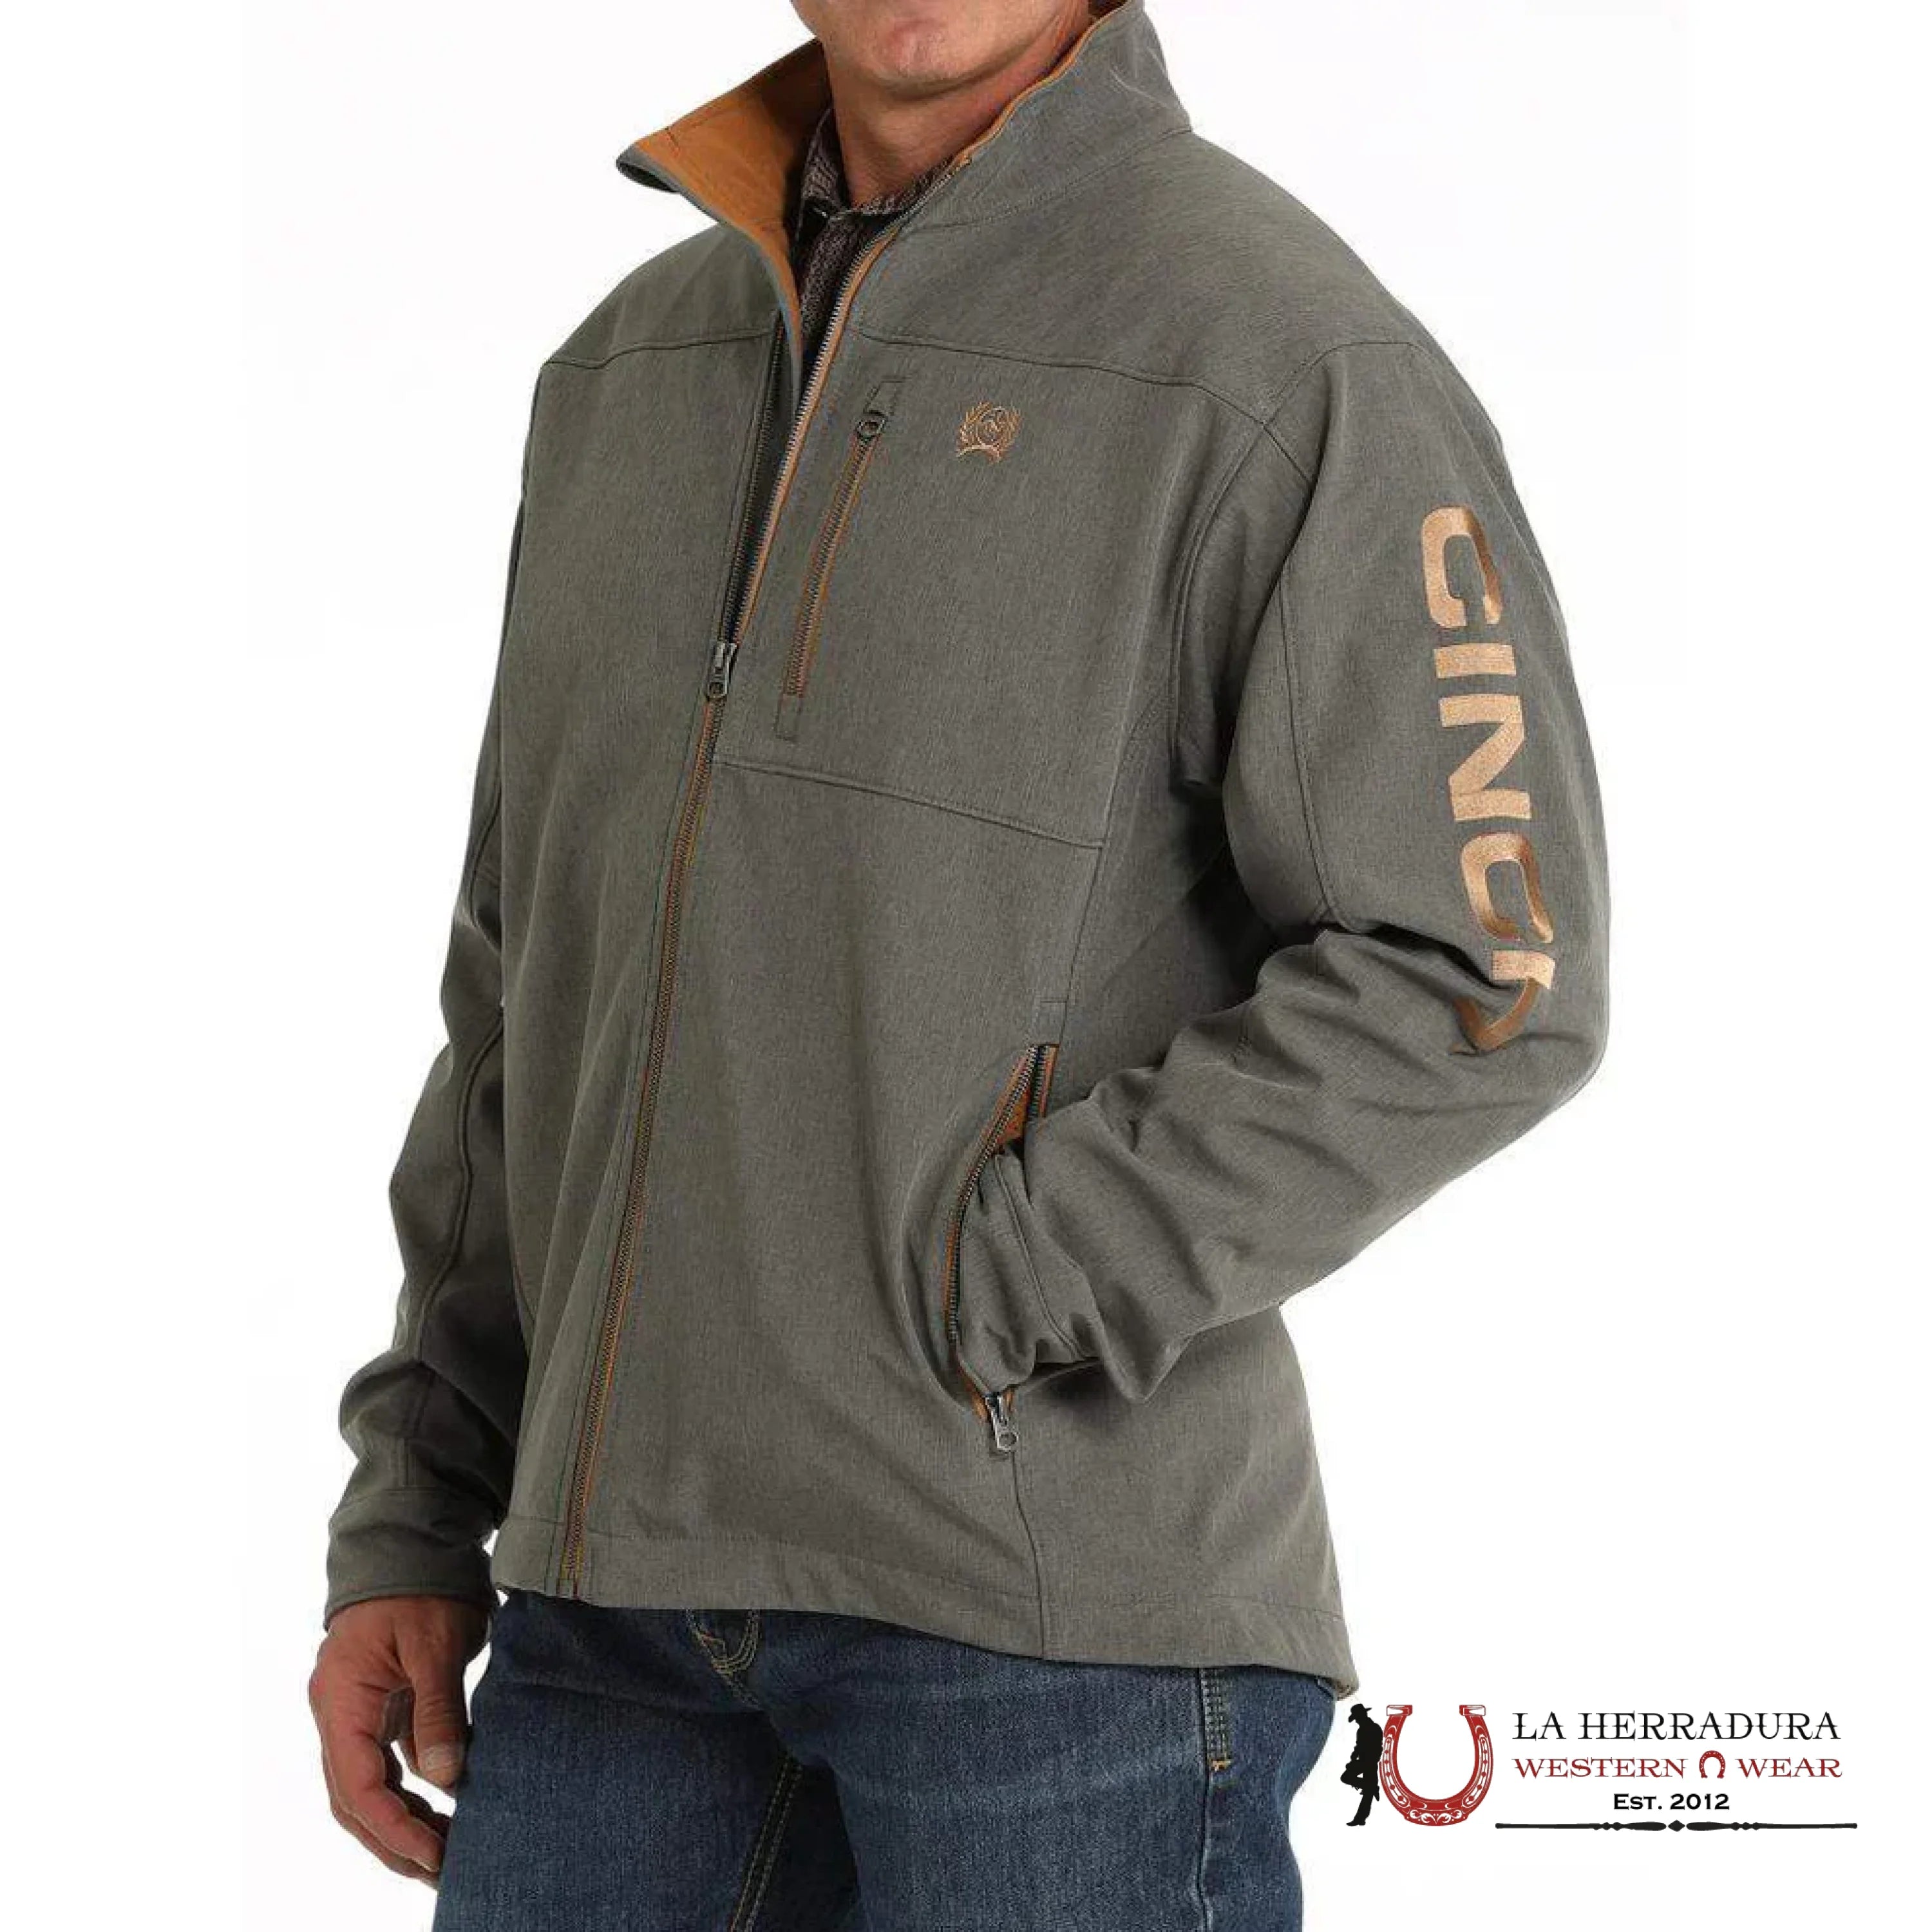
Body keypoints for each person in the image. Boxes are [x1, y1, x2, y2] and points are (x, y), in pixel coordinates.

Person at [307, 3, 1610, 1925]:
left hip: (1058, 1641)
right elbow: (522, 983)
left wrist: (1006, 1279)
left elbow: (1482, 971)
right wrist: (419, 1504)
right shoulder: (629, 368)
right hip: (610, 1623)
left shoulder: (1282, 354)